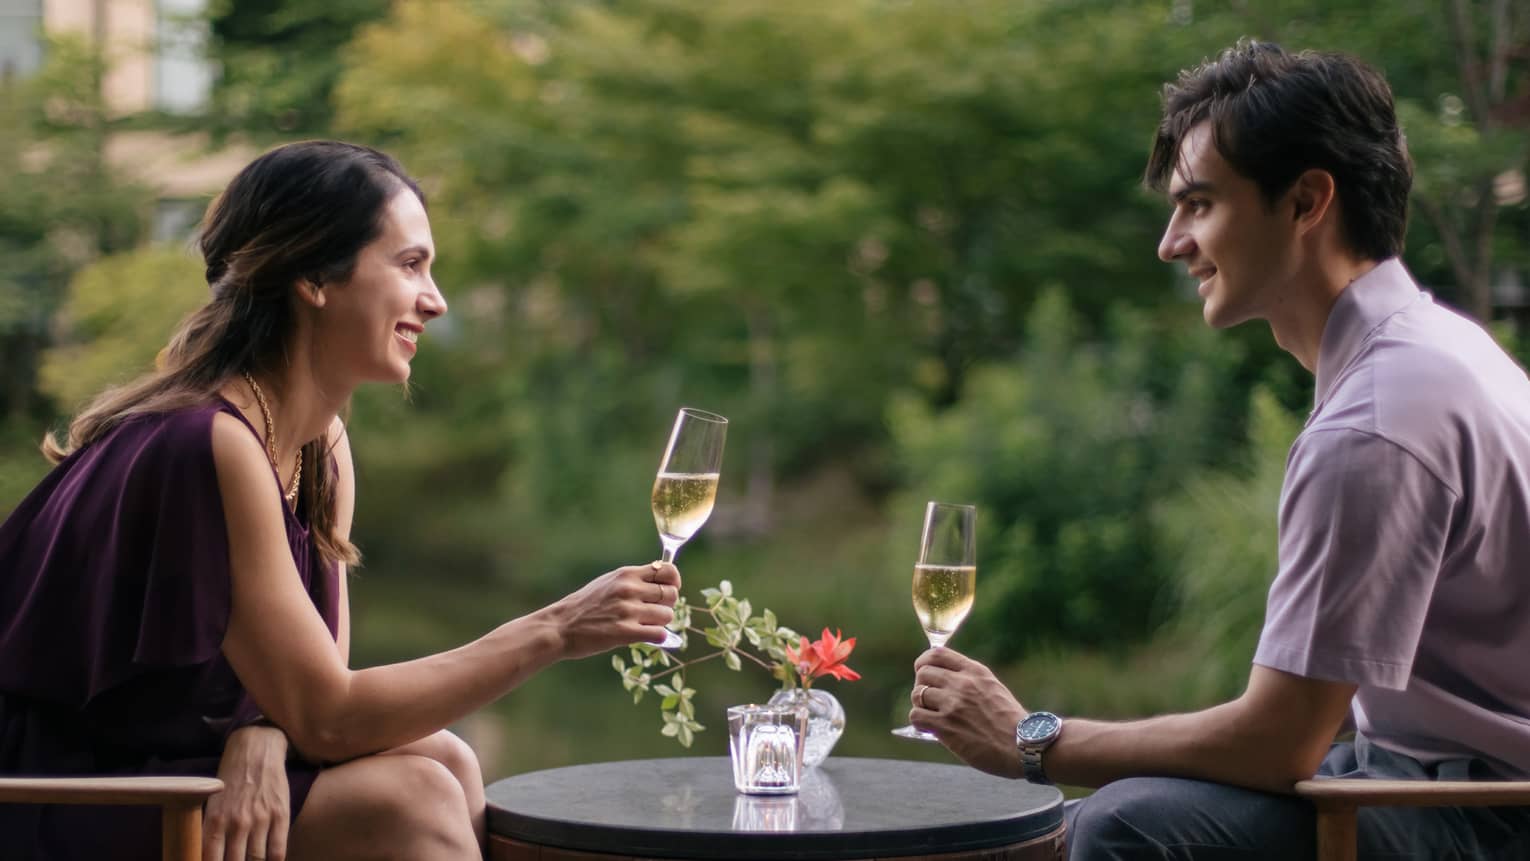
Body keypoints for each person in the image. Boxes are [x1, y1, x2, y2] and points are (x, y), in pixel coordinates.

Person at [908, 41, 1530, 860]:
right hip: (1430, 773)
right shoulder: (1440, 350)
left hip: (1485, 812)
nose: (1172, 242)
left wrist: (1035, 740)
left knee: (1127, 828)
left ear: (1306, 201)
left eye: (1199, 204)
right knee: (1086, 819)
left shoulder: (1374, 422)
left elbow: (1279, 741)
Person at [0, 140, 682, 861]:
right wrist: (556, 628)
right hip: (49, 792)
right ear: (314, 278)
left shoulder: (319, 446)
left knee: (446, 758)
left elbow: (321, 689)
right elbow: (330, 718)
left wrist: (264, 731)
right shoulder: (205, 442)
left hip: (155, 769)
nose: (436, 300)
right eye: (409, 265)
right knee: (411, 802)